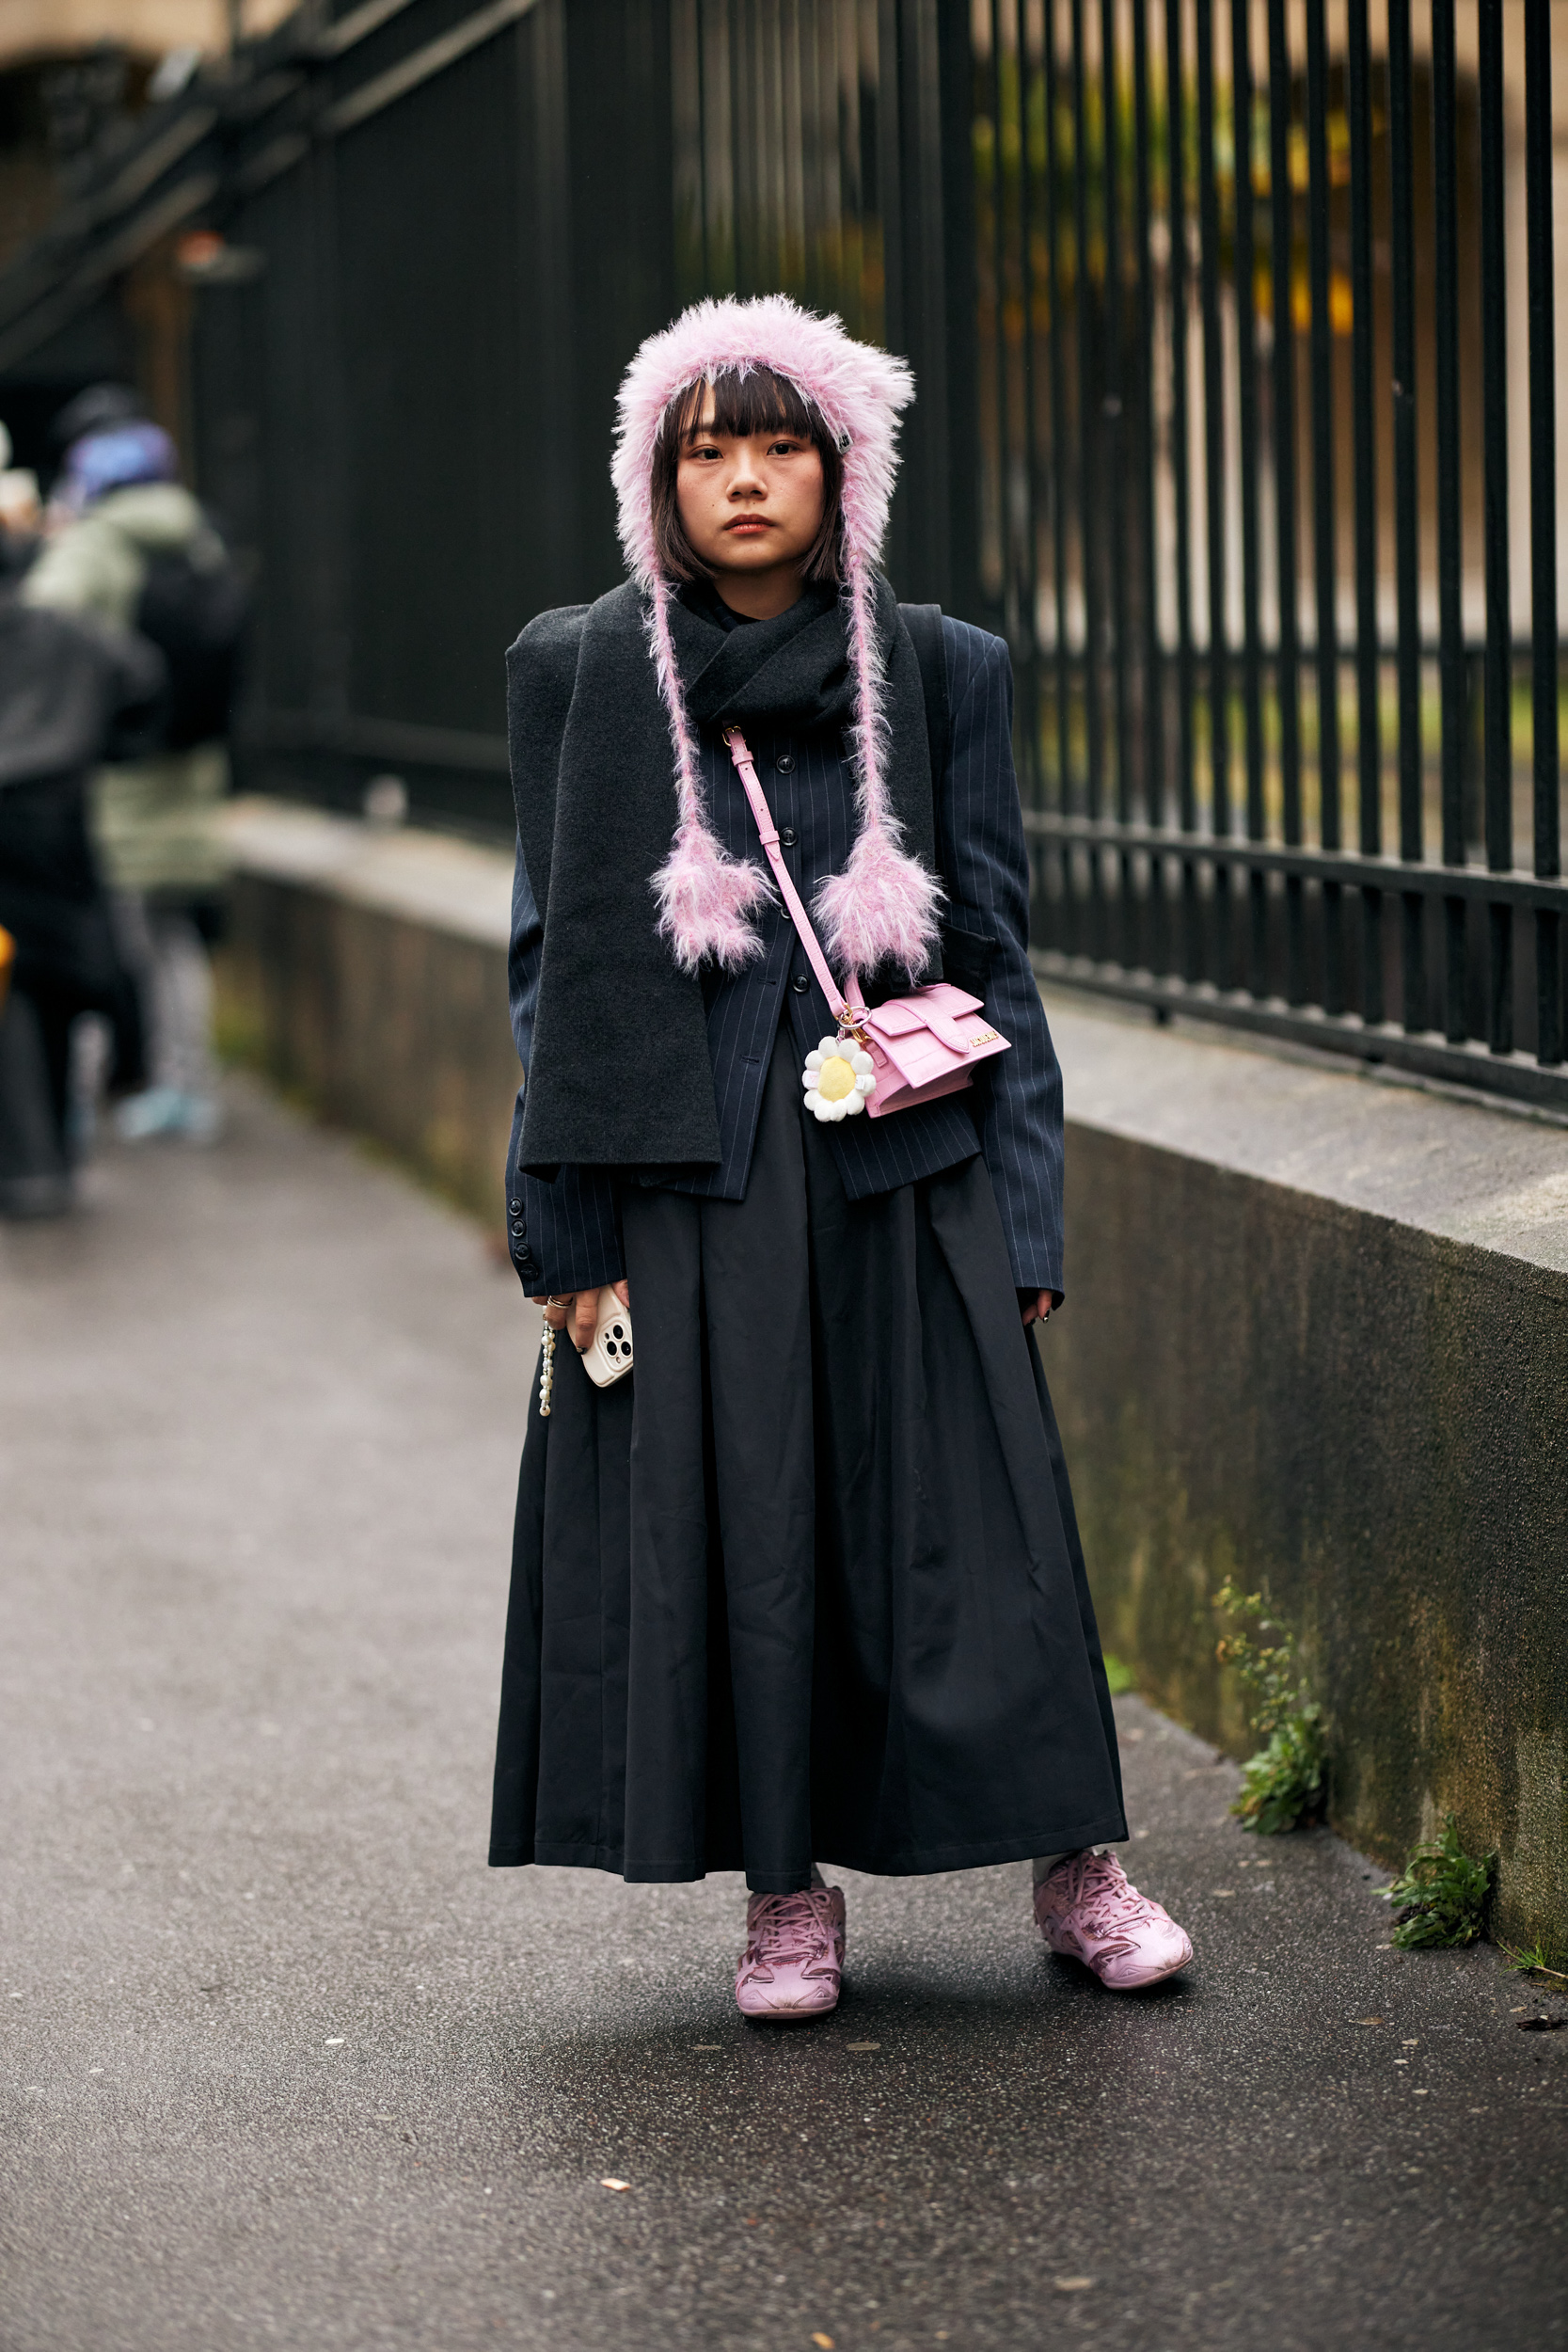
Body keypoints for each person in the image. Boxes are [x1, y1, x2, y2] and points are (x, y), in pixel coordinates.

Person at [489, 297, 1194, 2017]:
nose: (742, 480)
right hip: (692, 1173)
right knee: (751, 1531)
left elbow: (997, 954)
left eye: (777, 444)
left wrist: (1023, 1204)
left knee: (989, 1523)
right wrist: (561, 1228)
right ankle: (785, 1896)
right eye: (706, 449)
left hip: (908, 1157)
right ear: (655, 476)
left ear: (839, 469)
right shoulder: (580, 669)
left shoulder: (940, 667)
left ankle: (1077, 1869)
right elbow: (549, 968)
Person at [23, 405, 245, 1144]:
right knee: (174, 941)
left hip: (118, 779)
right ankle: (190, 1087)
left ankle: (78, 1100)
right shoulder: (198, 538)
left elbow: (35, 632)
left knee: (100, 943)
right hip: (190, 771)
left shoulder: (93, 546)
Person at [0, 590, 163, 1215]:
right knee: (58, 982)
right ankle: (50, 1156)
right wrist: (109, 743)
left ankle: (29, 1165)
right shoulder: (65, 629)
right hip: (56, 819)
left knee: (17, 986)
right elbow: (142, 676)